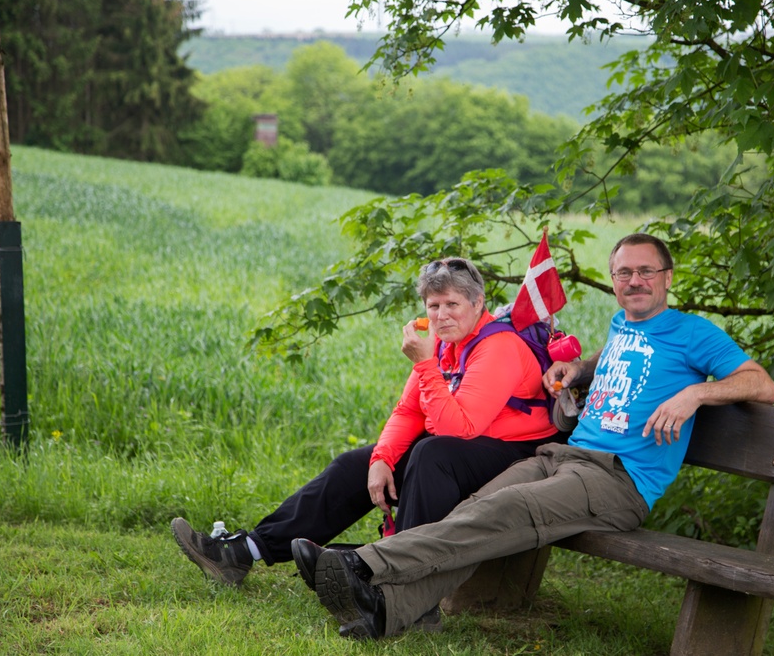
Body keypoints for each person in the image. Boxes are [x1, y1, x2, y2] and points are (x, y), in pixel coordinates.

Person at [290, 232, 774, 639]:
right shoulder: (623, 325)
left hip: (619, 481)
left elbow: (762, 384)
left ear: (666, 278)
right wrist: (577, 369)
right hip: (563, 456)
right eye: (624, 273)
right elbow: (613, 363)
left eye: (646, 271)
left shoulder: (694, 333)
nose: (635, 281)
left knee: (502, 512)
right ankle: (391, 614)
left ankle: (360, 565)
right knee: (475, 510)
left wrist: (694, 394)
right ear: (613, 281)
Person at [171, 257, 565, 599]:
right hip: (464, 443)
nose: (442, 315)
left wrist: (424, 365)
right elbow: (409, 411)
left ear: (478, 304)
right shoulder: (447, 343)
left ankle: (400, 580)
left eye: (452, 304)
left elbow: (458, 429)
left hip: (513, 454)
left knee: (432, 455)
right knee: (353, 465)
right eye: (433, 305)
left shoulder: (498, 347)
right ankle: (244, 553)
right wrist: (381, 459)